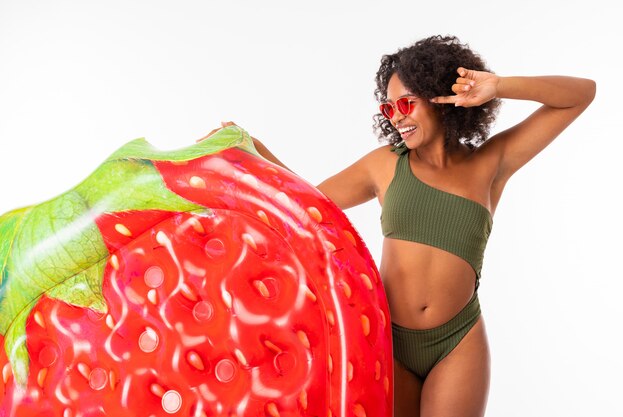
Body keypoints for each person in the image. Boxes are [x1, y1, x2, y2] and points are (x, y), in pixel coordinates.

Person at [208, 35, 595, 417]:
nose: (397, 116)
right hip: (388, 337)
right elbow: (307, 203)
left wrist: (497, 85)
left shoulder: (490, 164)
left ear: (443, 99)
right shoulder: (385, 165)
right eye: (389, 107)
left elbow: (582, 93)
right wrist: (250, 148)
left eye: (407, 103)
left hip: (458, 341)